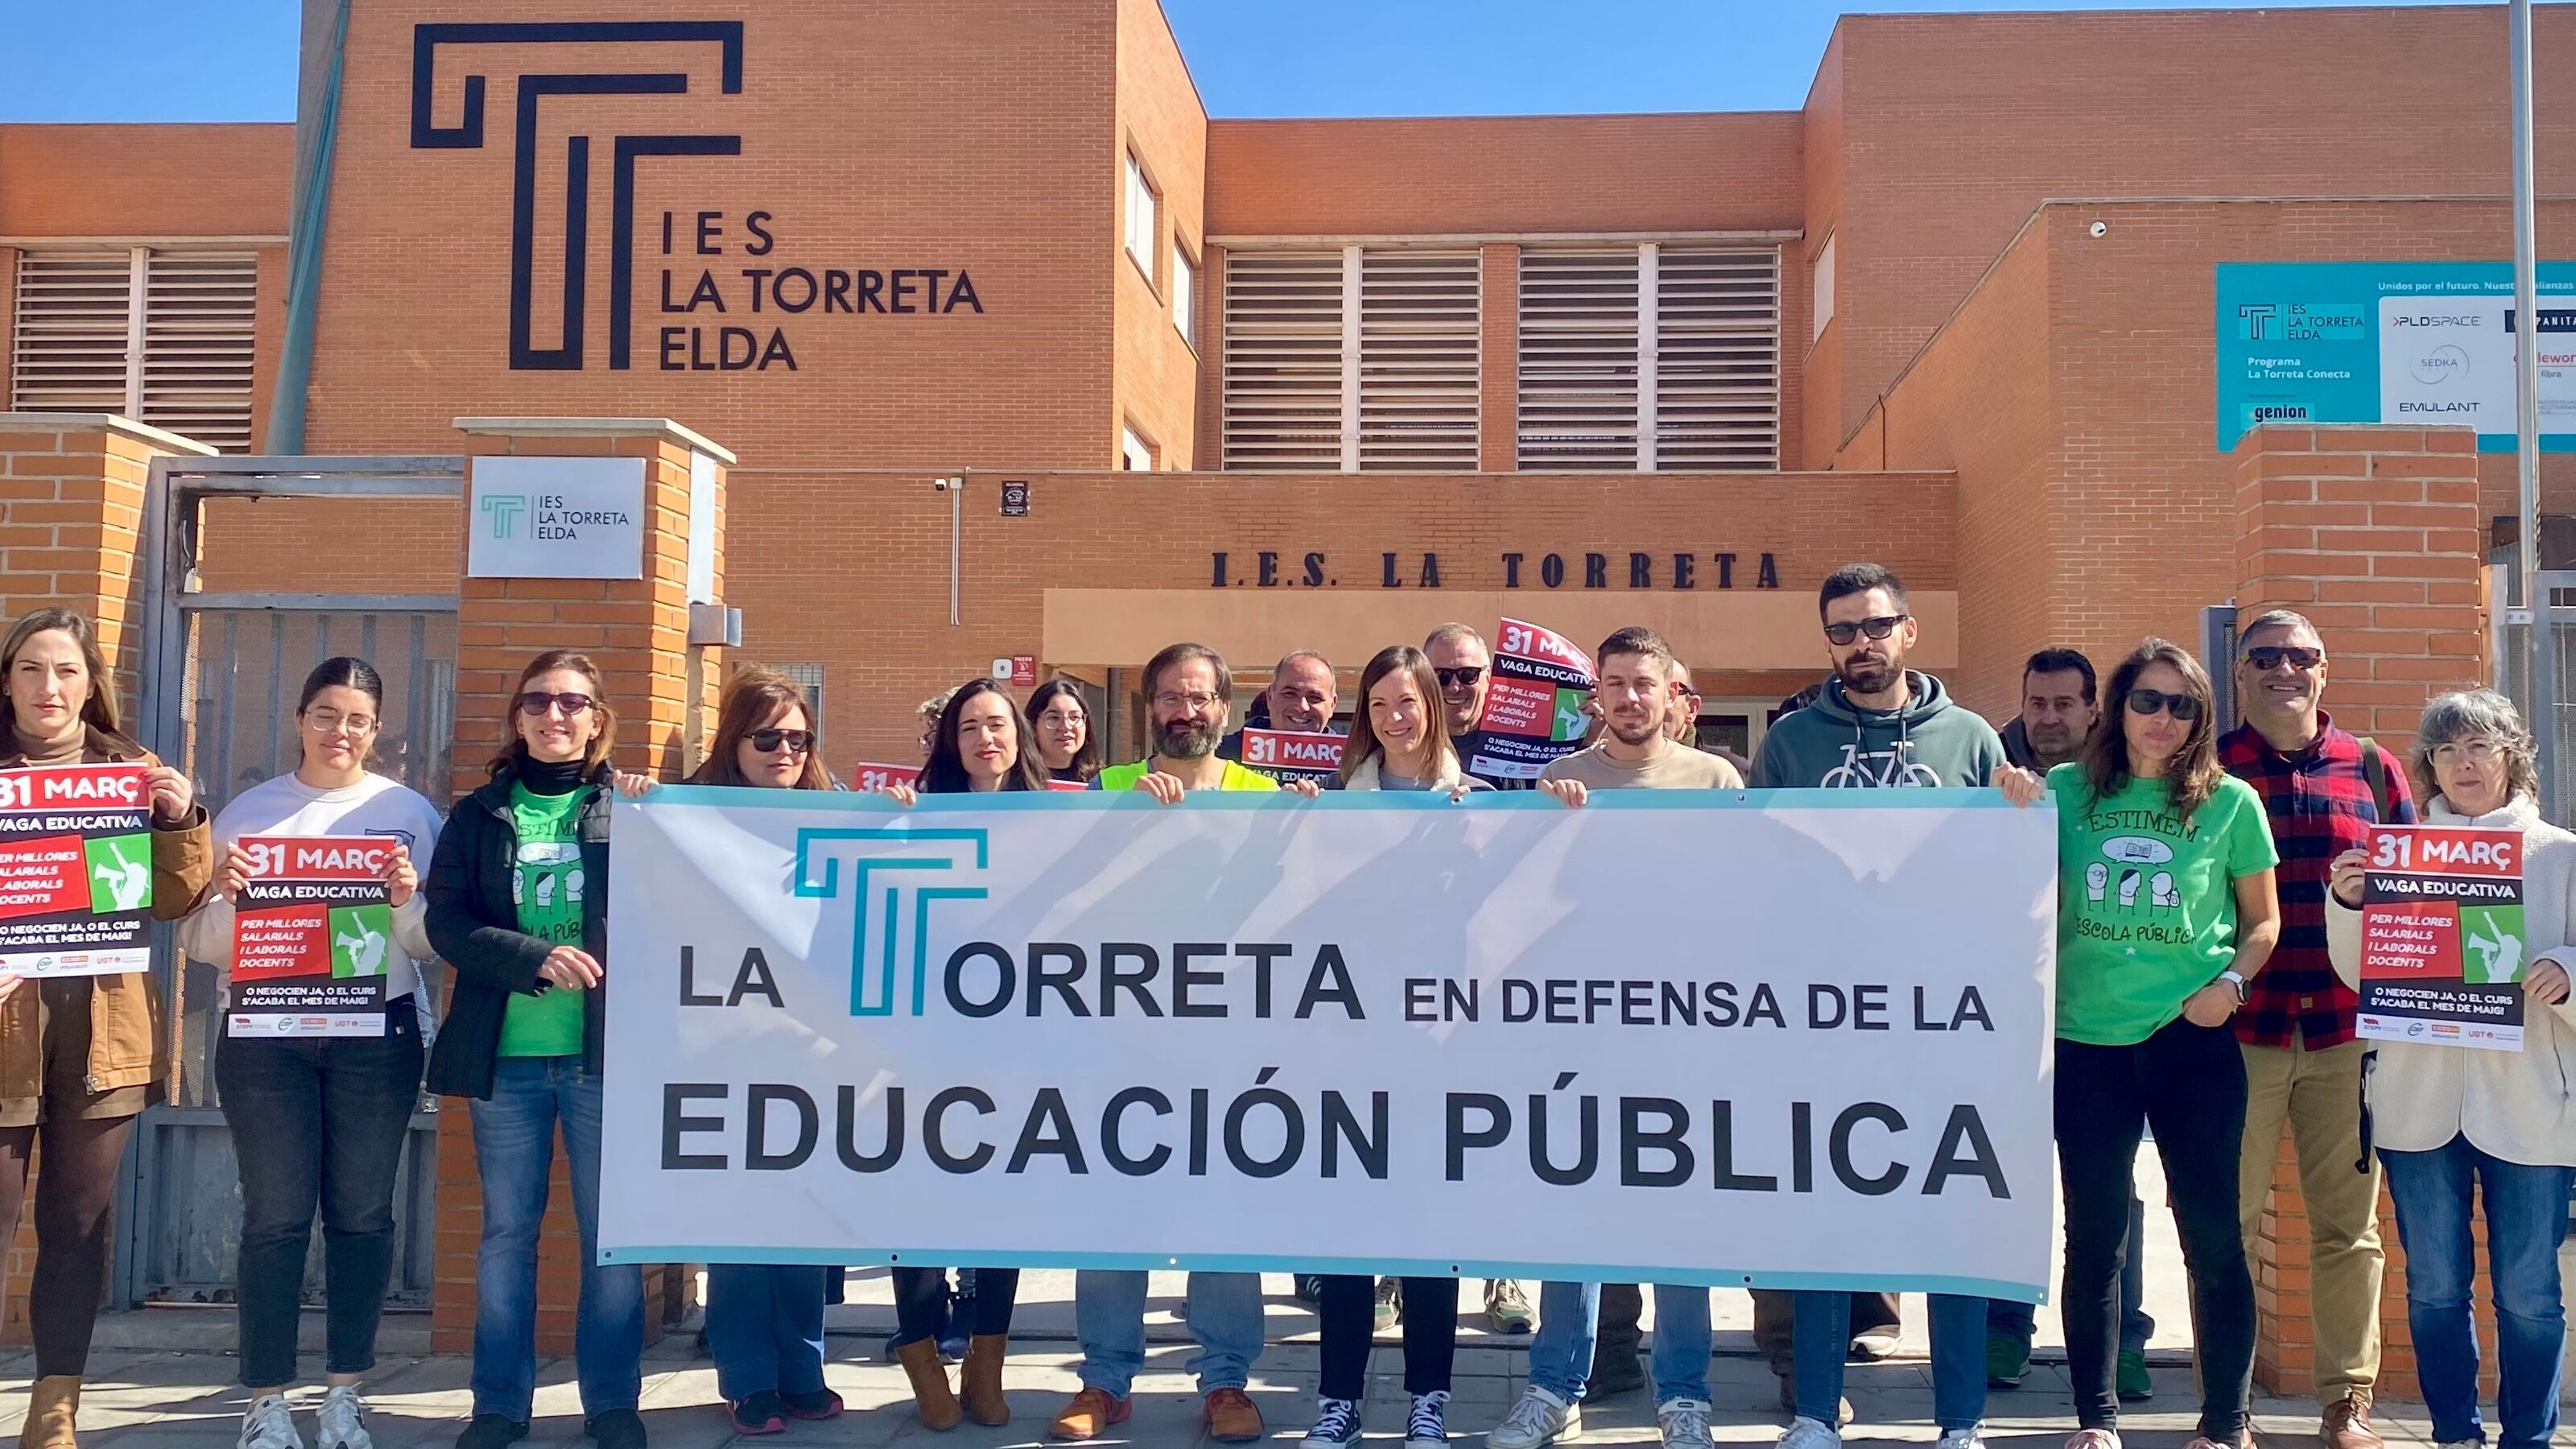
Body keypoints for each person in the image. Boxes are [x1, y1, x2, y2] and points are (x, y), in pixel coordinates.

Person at [1996, 638, 2277, 1449]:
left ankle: (2223, 1424)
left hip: (2189, 1042)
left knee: (2212, 1237)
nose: (2160, 718)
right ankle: (2096, 1421)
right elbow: (2004, 879)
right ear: (2114, 709)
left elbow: (2261, 922)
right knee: (2092, 1239)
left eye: (2179, 704)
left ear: (2199, 717)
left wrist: (2227, 988)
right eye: (2145, 700)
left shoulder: (2229, 804)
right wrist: (2007, 805)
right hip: (2085, 1043)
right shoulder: (2060, 791)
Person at [1745, 564, 2006, 1410]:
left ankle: (1956, 1406)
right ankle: (1807, 1389)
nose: (1860, 644)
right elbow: (1759, 868)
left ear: (1908, 629)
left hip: (1938, 1020)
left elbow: (2002, 878)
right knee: (1815, 1202)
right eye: (1842, 631)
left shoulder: (1968, 738)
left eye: (1874, 625)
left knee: (1943, 1202)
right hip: (1820, 1020)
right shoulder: (1790, 742)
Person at [177, 658, 442, 1449]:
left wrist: (404, 900)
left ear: (376, 729)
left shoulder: (408, 815)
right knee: (276, 1220)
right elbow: (200, 942)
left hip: (376, 1040)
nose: (341, 732)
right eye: (326, 714)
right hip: (268, 1045)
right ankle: (265, 1402)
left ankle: (344, 1394)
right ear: (299, 719)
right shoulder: (251, 813)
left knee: (362, 1217)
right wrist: (226, 892)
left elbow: (429, 944)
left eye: (358, 719)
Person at [1055, 642, 1315, 1445]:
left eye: (1200, 697)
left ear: (1225, 711)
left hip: (1227, 1044)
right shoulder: (1105, 791)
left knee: (1221, 1211)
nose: (1186, 711)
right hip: (1119, 1037)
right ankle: (1105, 1379)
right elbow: (1056, 888)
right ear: (1148, 710)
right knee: (1113, 1210)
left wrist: (1317, 823)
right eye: (1170, 696)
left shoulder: (1261, 793)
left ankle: (1227, 1379)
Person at [1489, 628, 1737, 1449]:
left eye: (1645, 683)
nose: (1630, 698)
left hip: (1682, 1034)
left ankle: (1685, 1396)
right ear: (1595, 695)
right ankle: (1553, 1386)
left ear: (1673, 694)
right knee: (1573, 1217)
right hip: (1580, 1036)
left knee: (1680, 1224)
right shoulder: (1560, 779)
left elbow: (1735, 904)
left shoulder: (1714, 780)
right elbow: (1526, 907)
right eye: (1616, 684)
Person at [2325, 691, 2576, 1449]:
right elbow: (2356, 977)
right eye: (2446, 750)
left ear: (2512, 756)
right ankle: (2453, 1435)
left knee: (2530, 1294)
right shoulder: (2398, 855)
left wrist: (2567, 968)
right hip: (2417, 1104)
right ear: (2428, 766)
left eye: (2480, 746)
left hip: (2531, 1103)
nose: (2464, 764)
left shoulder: (2561, 853)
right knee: (2434, 1288)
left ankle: (2527, 1438)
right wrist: (2347, 902)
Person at [0, 608, 213, 1449]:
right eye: (30, 669)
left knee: (77, 1229)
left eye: (66, 671)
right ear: (7, 680)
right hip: (4, 1026)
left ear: (93, 685)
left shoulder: (131, 772)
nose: (49, 688)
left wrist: (180, 820)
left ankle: (54, 1409)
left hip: (104, 1031)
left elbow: (176, 901)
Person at [424, 651, 646, 1449]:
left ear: (596, 719)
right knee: (506, 1239)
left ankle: (613, 1402)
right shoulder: (477, 814)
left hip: (603, 1060)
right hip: (506, 1057)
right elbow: (444, 921)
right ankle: (499, 1406)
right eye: (541, 701)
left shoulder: (628, 810)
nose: (557, 715)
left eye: (574, 703)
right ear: (519, 717)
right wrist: (528, 957)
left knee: (610, 1238)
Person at [617, 671, 846, 1436]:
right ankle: (749, 1378)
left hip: (810, 1051)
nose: (786, 751)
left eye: (798, 738)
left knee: (804, 1220)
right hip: (723, 1045)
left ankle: (803, 1369)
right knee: (743, 1221)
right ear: (733, 741)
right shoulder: (693, 815)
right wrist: (645, 808)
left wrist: (897, 820)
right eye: (768, 736)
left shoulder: (833, 812)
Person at [2219, 610, 2412, 1449]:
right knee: (2218, 1224)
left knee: (2348, 1228)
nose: (2281, 669)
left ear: (2323, 669)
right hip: (2237, 1036)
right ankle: (2223, 1408)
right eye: (2263, 656)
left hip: (2346, 1037)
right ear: (2239, 671)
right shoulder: (2207, 768)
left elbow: (2422, 899)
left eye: (2298, 656)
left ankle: (2346, 1402)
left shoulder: (2373, 768)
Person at [1296, 646, 1484, 1449]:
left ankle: (1426, 1401)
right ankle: (1336, 1398)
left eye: (1406, 702)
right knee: (1347, 1232)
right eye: (1378, 706)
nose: (1394, 719)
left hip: (1438, 1046)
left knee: (1425, 1235)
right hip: (1351, 1043)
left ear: (1431, 706)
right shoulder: (1339, 804)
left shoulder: (1477, 799)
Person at [1983, 647, 2153, 1400]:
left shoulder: (2125, 786)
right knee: (2006, 1180)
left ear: (2094, 710)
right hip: (2006, 1021)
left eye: (2064, 704)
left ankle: (2124, 1342)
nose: (2048, 718)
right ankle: (2004, 1330)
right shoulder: (1995, 777)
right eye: (2036, 703)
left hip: (2100, 1025)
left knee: (2111, 1193)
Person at [873, 679, 1036, 1429]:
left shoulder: (1057, 820)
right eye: (969, 726)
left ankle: (985, 1365)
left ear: (1017, 735)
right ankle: (924, 1364)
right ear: (951, 741)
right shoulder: (913, 816)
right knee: (917, 1207)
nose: (985, 738)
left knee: (997, 1211)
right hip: (920, 1045)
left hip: (1013, 1045)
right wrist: (889, 827)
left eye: (997, 724)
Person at [1424, 624, 1534, 803]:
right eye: (1440, 675)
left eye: (1468, 674)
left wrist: (1587, 741)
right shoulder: (1407, 749)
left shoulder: (1525, 746)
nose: (1454, 687)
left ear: (1488, 679)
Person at [1027, 678, 1101, 784]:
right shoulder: (1013, 782)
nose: (1066, 727)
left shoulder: (1101, 782)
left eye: (1074, 717)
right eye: (1054, 718)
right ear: (1033, 724)